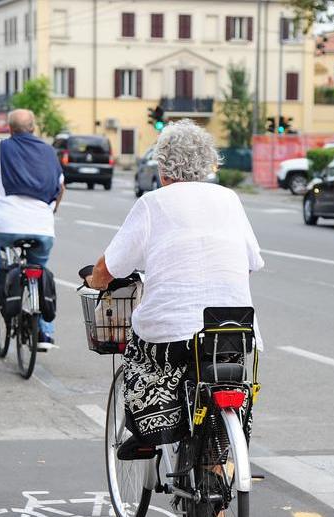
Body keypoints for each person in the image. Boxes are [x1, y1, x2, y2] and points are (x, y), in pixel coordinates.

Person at [86, 119, 264, 448]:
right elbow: (252, 262)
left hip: (173, 334)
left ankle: (147, 435)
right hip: (231, 330)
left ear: (163, 168)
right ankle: (217, 472)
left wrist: (96, 281)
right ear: (208, 164)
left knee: (139, 355)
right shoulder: (229, 199)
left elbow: (109, 267)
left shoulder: (152, 204)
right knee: (225, 383)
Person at [0, 109, 65, 347]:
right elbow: (61, 189)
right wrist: (52, 210)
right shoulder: (49, 152)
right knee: (39, 269)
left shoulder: (0, 148)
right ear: (34, 127)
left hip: (6, 227)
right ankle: (45, 334)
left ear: (9, 129)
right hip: (43, 228)